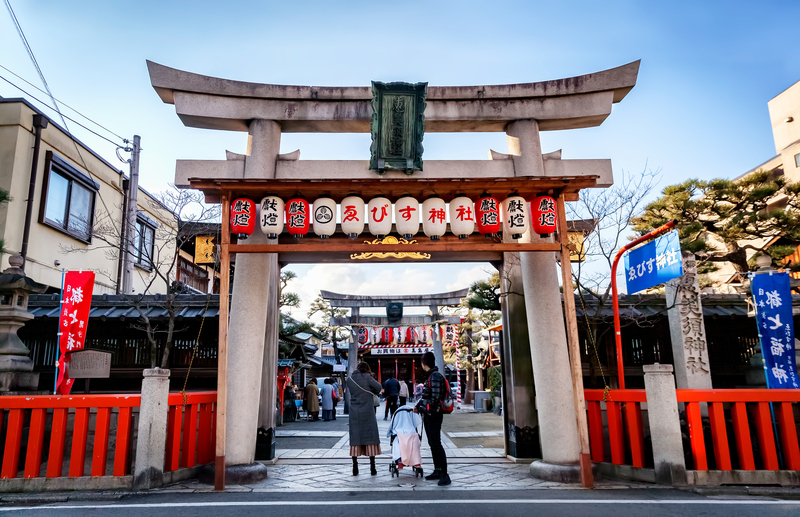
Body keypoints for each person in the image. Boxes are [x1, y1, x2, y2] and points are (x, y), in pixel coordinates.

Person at [414, 351, 450, 486]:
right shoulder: (431, 376)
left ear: (424, 364)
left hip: (434, 414)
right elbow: (426, 397)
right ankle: (438, 470)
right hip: (429, 414)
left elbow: (434, 399)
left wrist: (422, 407)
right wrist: (419, 406)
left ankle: (444, 474)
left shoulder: (434, 377)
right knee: (432, 443)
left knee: (436, 444)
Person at [347, 362, 383, 476]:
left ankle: (355, 468)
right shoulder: (368, 377)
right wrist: (373, 392)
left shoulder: (350, 379)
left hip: (354, 412)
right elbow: (379, 387)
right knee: (370, 438)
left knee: (355, 438)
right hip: (368, 411)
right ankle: (372, 468)